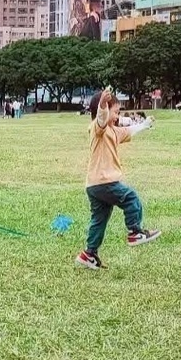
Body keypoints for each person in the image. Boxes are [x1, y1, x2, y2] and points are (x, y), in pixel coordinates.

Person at [76, 89, 161, 270]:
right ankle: (135, 232)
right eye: (115, 112)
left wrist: (144, 124)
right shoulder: (98, 128)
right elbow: (101, 117)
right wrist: (102, 105)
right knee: (130, 197)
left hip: (94, 185)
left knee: (99, 220)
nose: (117, 116)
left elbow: (129, 130)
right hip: (104, 181)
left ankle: (89, 254)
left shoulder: (113, 131)